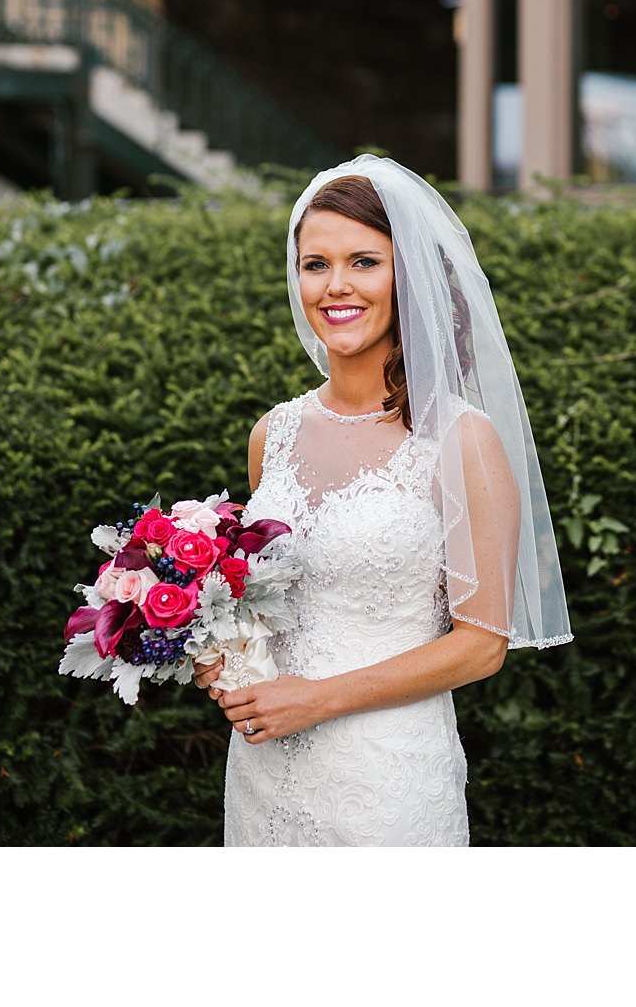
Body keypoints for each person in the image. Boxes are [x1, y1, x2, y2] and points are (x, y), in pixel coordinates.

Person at [195, 154, 572, 845]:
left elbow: (481, 647)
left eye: (364, 261)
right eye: (316, 264)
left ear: (410, 278)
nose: (336, 285)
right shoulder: (271, 434)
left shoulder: (461, 439)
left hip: (387, 781)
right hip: (261, 770)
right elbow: (268, 603)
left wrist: (317, 699)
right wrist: (220, 654)